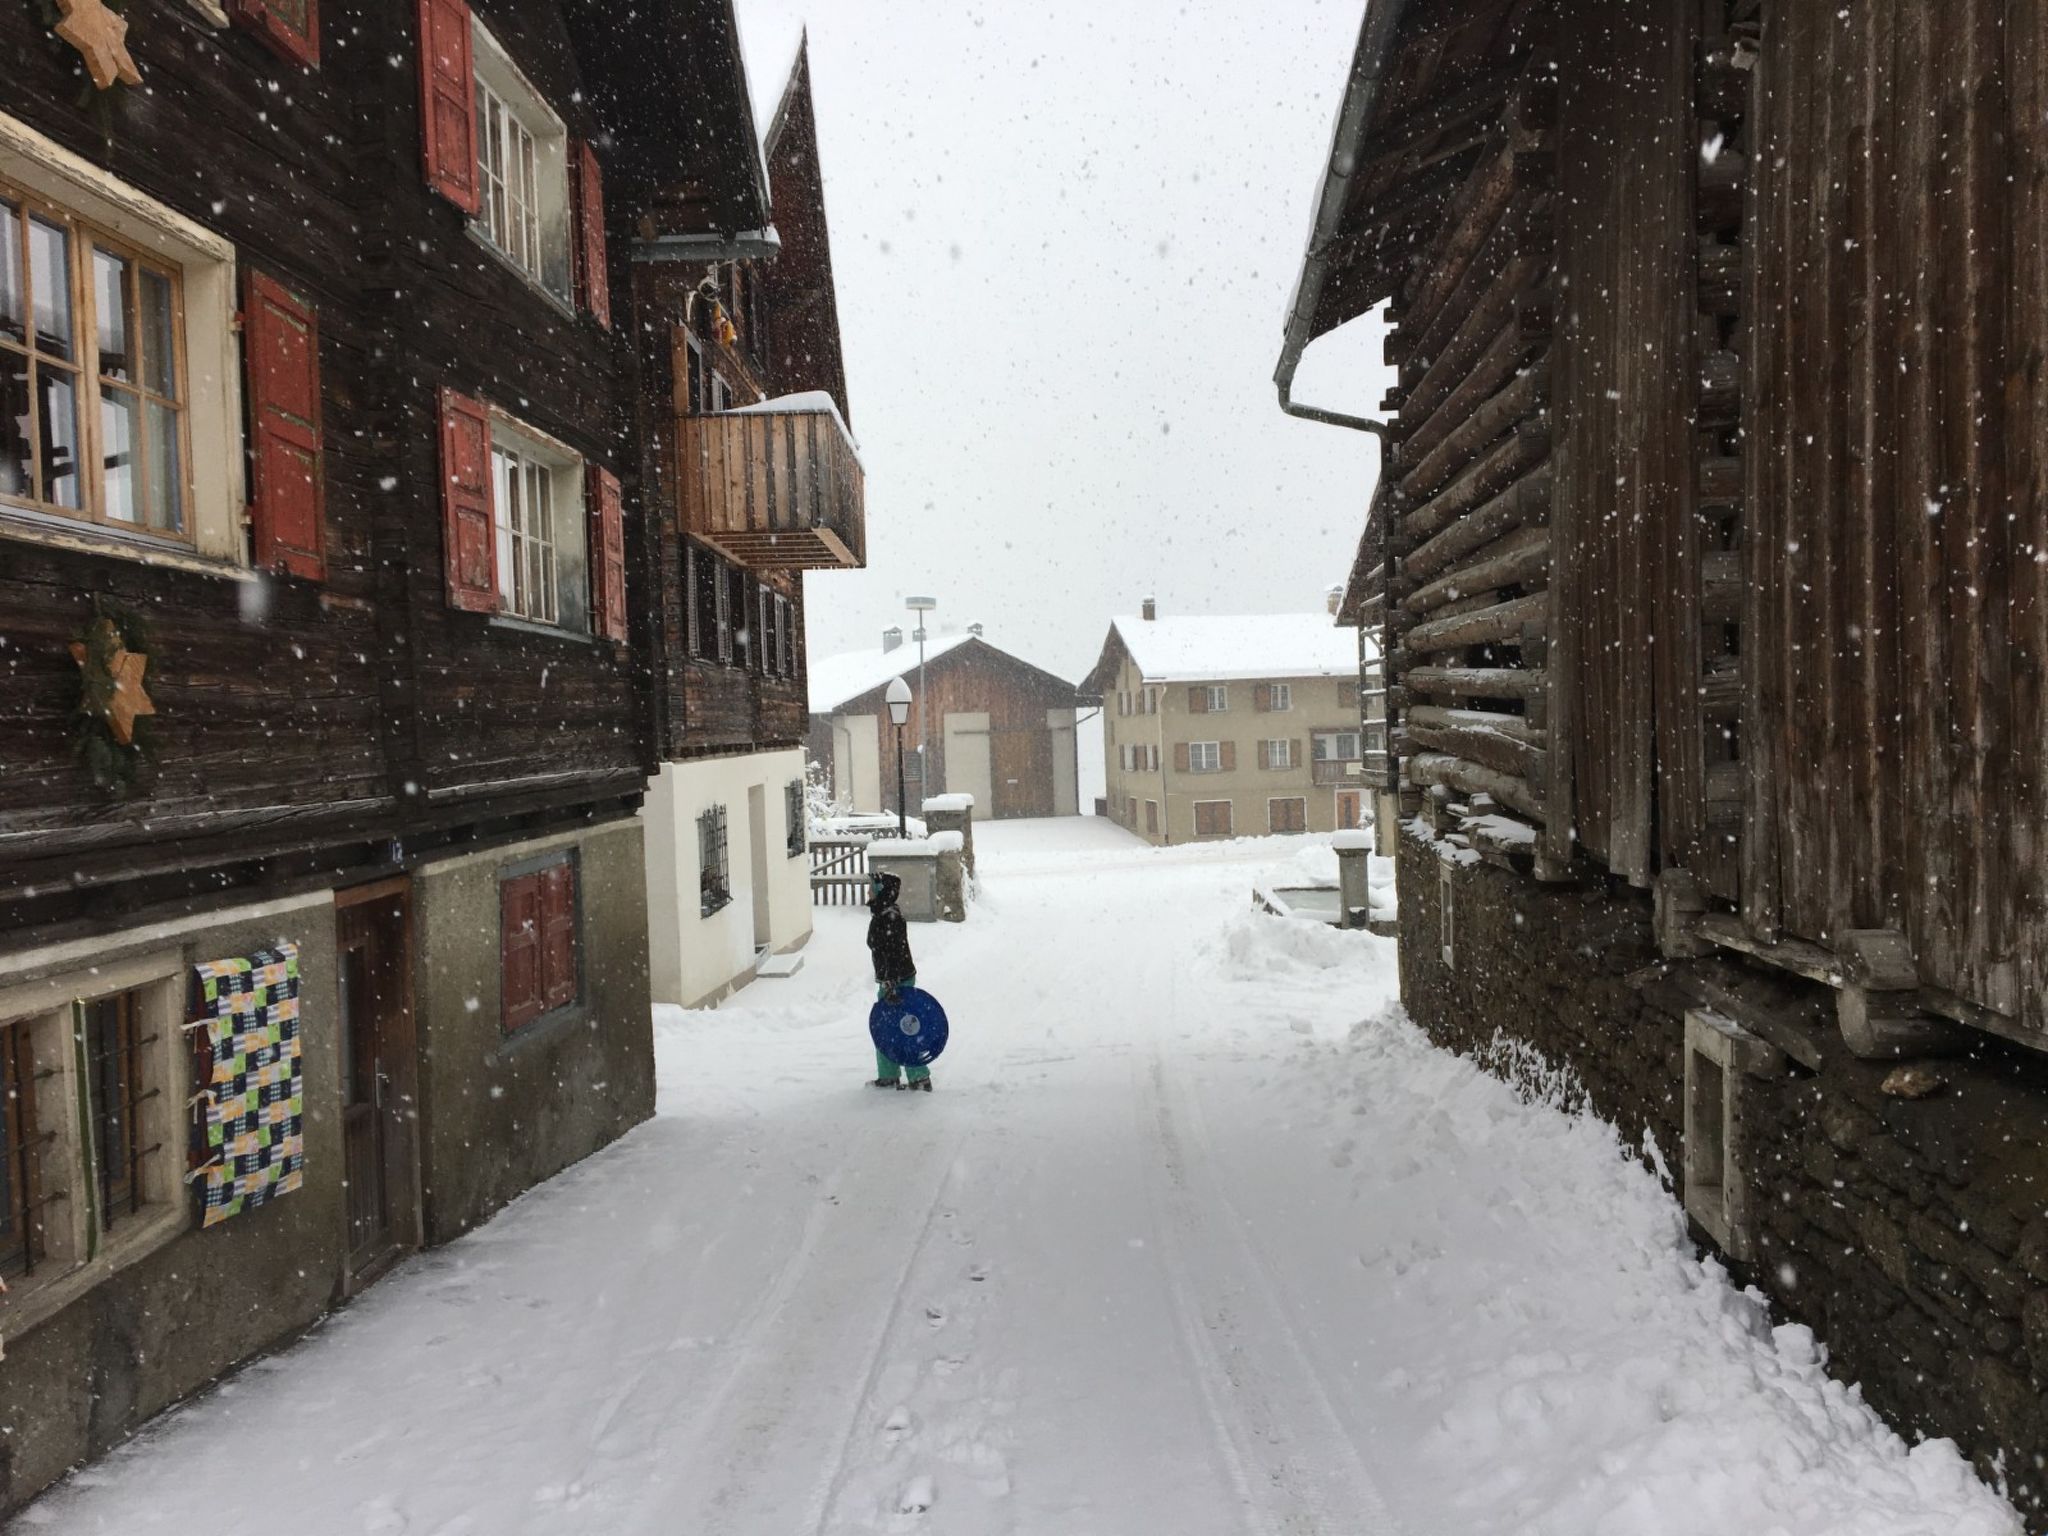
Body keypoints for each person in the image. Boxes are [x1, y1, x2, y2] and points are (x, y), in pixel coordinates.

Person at [867, 871, 930, 1091]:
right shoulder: (883, 913)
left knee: (905, 1029)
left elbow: (894, 954)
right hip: (890, 981)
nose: (867, 891)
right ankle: (888, 1074)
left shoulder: (890, 917)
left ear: (881, 891)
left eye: (871, 887)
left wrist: (892, 983)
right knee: (886, 1029)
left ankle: (919, 1077)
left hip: (898, 981)